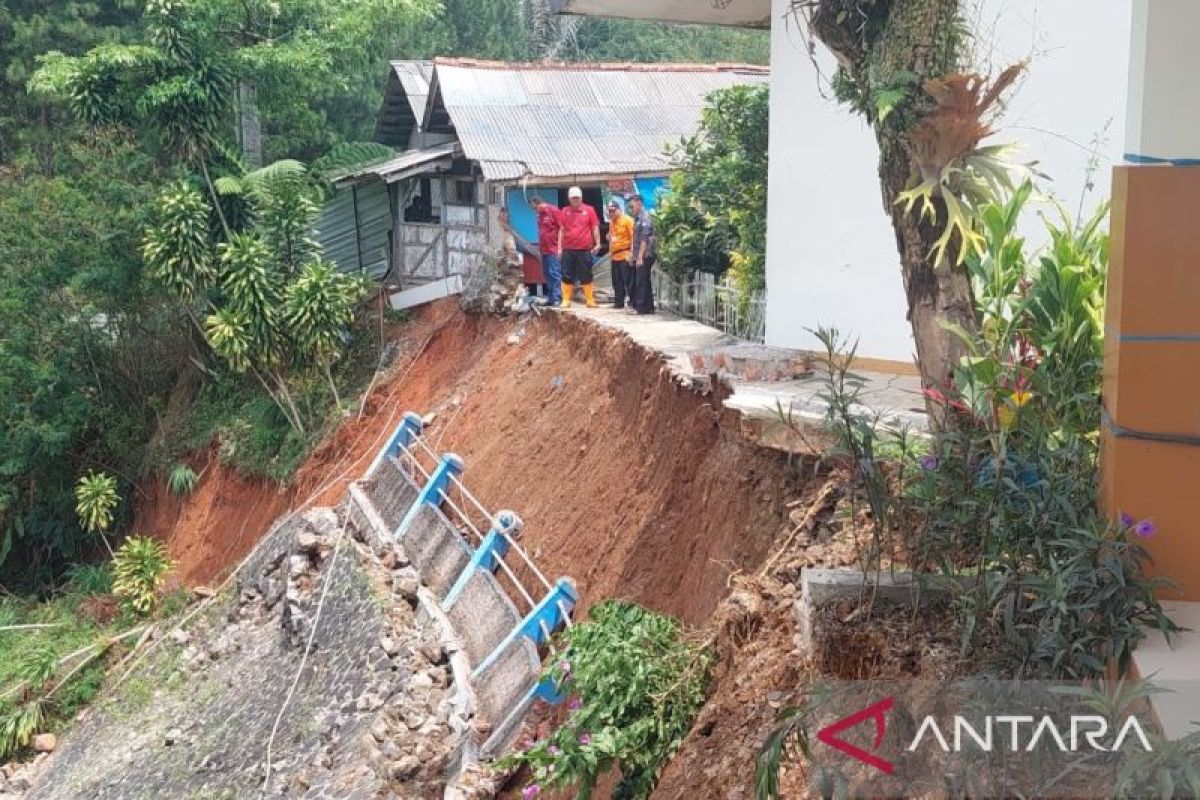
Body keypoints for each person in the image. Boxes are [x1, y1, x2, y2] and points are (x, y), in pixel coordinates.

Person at [558, 186, 600, 309]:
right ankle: (566, 300)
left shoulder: (589, 210)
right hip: (568, 248)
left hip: (584, 248)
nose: (575, 200)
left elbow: (595, 227)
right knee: (566, 274)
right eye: (573, 198)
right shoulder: (565, 211)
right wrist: (559, 247)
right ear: (569, 199)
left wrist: (597, 243)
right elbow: (562, 230)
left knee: (586, 274)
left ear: (581, 198)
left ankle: (590, 300)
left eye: (577, 198)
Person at [529, 195, 562, 306]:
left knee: (554, 273)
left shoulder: (553, 210)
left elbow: (562, 228)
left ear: (539, 203)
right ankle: (551, 298)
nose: (535, 210)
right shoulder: (539, 215)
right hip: (544, 249)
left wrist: (560, 245)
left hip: (553, 248)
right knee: (547, 273)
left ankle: (557, 298)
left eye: (535, 207)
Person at [628, 194, 656, 314]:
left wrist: (639, 257)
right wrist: (632, 255)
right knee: (644, 280)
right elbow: (636, 239)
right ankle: (649, 307)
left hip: (645, 255)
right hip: (639, 254)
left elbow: (645, 239)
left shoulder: (645, 217)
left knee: (640, 281)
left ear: (639, 204)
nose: (630, 208)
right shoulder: (637, 218)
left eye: (632, 206)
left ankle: (640, 308)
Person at [606, 199, 635, 309]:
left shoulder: (627, 220)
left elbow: (633, 236)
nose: (611, 213)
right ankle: (619, 302)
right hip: (614, 255)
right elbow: (612, 236)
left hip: (625, 254)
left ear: (619, 209)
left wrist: (632, 253)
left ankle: (632, 302)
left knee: (628, 280)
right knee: (616, 281)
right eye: (609, 211)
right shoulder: (611, 222)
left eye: (613, 211)